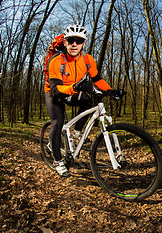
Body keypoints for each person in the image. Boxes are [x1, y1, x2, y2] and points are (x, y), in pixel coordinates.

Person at [45, 24, 116, 177]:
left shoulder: (87, 60)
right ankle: (57, 161)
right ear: (65, 42)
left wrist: (111, 90)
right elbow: (56, 89)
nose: (74, 44)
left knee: (86, 100)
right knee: (57, 123)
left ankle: (77, 132)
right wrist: (76, 86)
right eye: (71, 41)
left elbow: (97, 79)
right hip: (54, 91)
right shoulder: (56, 61)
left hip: (74, 89)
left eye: (78, 41)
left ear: (84, 43)